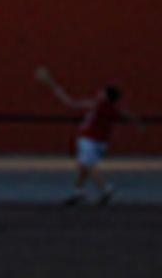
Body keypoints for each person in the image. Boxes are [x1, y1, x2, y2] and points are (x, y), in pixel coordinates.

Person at [37, 67, 141, 205]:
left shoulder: (98, 105)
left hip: (89, 139)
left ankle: (106, 189)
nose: (99, 92)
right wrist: (137, 123)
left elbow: (70, 102)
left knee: (89, 165)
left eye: (102, 92)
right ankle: (78, 192)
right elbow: (126, 114)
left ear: (106, 96)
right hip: (101, 142)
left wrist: (54, 86)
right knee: (83, 166)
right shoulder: (114, 108)